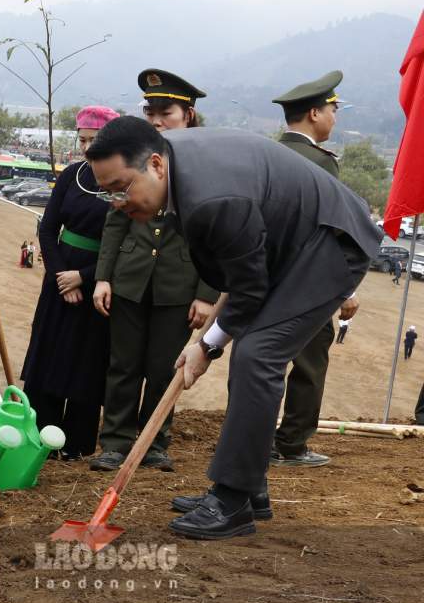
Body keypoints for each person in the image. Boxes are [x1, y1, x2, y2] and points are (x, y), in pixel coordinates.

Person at [86, 117, 376, 539]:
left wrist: (206, 346)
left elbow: (249, 289)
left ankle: (232, 501)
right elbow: (238, 269)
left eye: (122, 187)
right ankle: (251, 488)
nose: (117, 202)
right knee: (254, 352)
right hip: (290, 239)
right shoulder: (173, 161)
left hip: (331, 243)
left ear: (155, 164)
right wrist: (206, 342)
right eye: (107, 192)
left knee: (259, 354)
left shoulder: (211, 198)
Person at [90, 70, 219, 473]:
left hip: (179, 285)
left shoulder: (206, 162)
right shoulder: (135, 155)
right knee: (123, 364)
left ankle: (154, 442)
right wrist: (104, 276)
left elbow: (217, 234)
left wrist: (206, 293)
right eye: (151, 112)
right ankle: (114, 441)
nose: (158, 120)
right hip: (130, 277)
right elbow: (116, 219)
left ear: (190, 115)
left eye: (167, 112)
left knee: (166, 367)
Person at [19, 106, 119, 460]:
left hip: (100, 281)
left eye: (96, 141)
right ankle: (37, 439)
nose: (88, 148)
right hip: (59, 281)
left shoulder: (122, 182)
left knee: (86, 362)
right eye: (83, 140)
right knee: (49, 355)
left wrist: (86, 277)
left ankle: (75, 446)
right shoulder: (71, 176)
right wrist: (63, 276)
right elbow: (48, 228)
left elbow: (125, 242)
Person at [271, 71, 346, 467]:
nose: (335, 118)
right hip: (308, 286)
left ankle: (257, 439)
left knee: (260, 364)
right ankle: (292, 444)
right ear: (315, 113)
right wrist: (346, 290)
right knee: (309, 365)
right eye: (333, 110)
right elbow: (332, 230)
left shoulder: (266, 153)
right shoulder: (320, 163)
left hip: (264, 281)